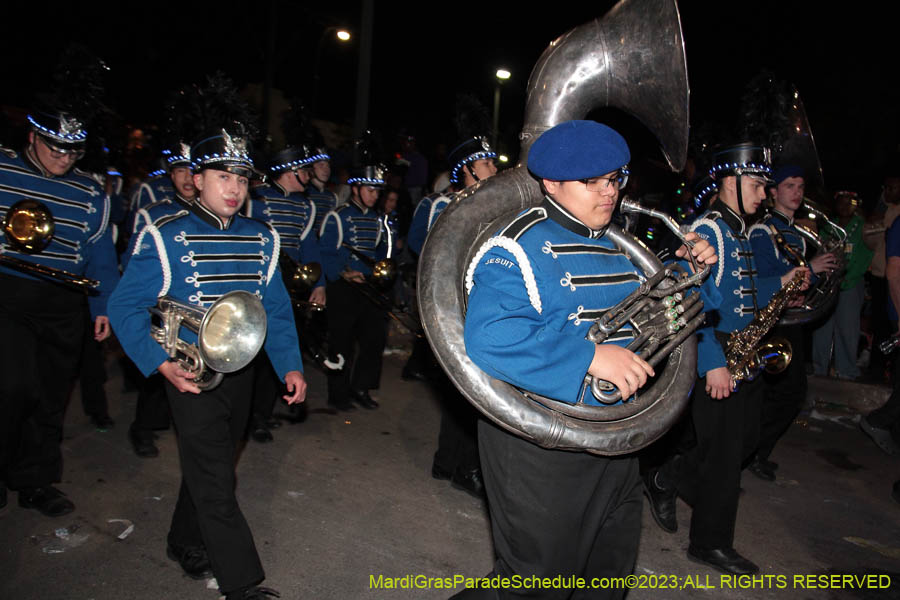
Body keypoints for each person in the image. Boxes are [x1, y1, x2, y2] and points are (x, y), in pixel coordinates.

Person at [462, 120, 717, 598]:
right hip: (540, 446)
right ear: (551, 183)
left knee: (608, 576)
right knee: (536, 586)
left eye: (614, 179)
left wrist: (686, 271)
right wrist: (590, 357)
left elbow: (652, 313)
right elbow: (490, 337)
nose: (609, 192)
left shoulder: (616, 244)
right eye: (591, 181)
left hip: (615, 436)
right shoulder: (515, 245)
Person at [108, 126, 305, 600]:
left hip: (243, 371)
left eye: (242, 179)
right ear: (197, 180)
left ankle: (184, 540)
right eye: (222, 177)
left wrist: (290, 366)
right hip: (188, 373)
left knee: (211, 466)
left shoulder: (263, 238)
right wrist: (160, 363)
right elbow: (124, 306)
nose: (234, 189)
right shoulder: (166, 236)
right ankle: (241, 582)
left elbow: (276, 310)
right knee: (217, 477)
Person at [643, 143, 810, 575]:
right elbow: (689, 300)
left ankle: (667, 476)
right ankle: (710, 542)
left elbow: (745, 293)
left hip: (744, 351)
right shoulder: (708, 230)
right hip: (716, 349)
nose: (764, 193)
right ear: (729, 182)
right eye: (756, 185)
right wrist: (712, 360)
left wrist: (784, 282)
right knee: (723, 455)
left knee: (746, 439)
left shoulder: (740, 231)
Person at [0, 109, 118, 516]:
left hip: (63, 299)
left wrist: (102, 304)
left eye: (74, 152)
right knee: (12, 387)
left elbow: (100, 251)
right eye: (57, 149)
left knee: (50, 395)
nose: (65, 158)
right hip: (7, 293)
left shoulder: (90, 191)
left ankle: (35, 480)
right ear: (33, 136)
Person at [408, 134, 498, 497]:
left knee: (468, 387)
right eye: (487, 163)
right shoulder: (442, 205)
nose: (494, 168)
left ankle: (449, 462)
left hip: (477, 301)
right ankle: (459, 466)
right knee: (467, 388)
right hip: (452, 303)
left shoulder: (493, 206)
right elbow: (424, 247)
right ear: (468, 170)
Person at [746, 165, 839, 481]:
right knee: (786, 393)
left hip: (790, 320)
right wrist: (811, 269)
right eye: (789, 186)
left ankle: (756, 451)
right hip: (774, 324)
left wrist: (810, 284)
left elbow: (797, 280)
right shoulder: (763, 231)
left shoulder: (795, 232)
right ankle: (753, 451)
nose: (797, 192)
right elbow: (765, 278)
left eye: (800, 186)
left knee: (782, 392)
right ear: (773, 192)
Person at [244, 142, 324, 442]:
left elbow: (310, 247)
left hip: (290, 285)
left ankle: (261, 416)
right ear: (291, 171)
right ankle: (245, 414)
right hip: (256, 283)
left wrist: (319, 283)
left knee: (275, 352)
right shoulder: (255, 199)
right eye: (305, 170)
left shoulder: (306, 206)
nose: (309, 175)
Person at [124, 141, 196, 458]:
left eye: (193, 171)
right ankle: (142, 428)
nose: (187, 178)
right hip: (164, 309)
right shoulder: (154, 214)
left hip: (197, 310)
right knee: (158, 370)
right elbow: (134, 263)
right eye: (180, 170)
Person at [318, 162, 389, 411]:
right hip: (344, 287)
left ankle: (361, 387)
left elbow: (378, 251)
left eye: (377, 191)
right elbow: (326, 252)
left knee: (374, 339)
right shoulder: (337, 217)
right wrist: (344, 272)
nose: (374, 195)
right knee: (342, 341)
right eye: (370, 190)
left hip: (368, 286)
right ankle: (338, 394)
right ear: (356, 189)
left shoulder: (378, 219)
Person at [812, 191, 873, 380]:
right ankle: (819, 368)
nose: (845, 207)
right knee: (822, 327)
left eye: (850, 203)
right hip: (828, 283)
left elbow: (866, 256)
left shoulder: (863, 227)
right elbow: (820, 250)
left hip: (851, 283)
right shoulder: (829, 226)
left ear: (856, 205)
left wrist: (848, 276)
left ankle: (846, 370)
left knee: (848, 328)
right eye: (841, 203)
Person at [306, 146, 340, 234]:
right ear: (311, 169)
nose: (326, 170)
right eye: (321, 165)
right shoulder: (304, 193)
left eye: (328, 166)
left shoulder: (332, 197)